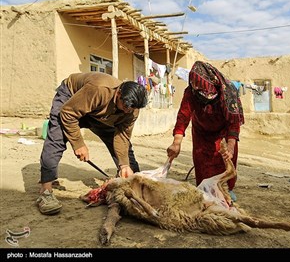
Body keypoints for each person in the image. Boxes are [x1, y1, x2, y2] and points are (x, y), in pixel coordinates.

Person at [37, 72, 148, 215]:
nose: (128, 111)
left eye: (131, 109)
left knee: (125, 154)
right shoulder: (99, 89)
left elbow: (122, 136)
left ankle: (134, 186)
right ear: (118, 94)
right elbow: (68, 113)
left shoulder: (132, 109)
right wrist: (78, 143)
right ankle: (45, 191)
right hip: (71, 100)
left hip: (99, 112)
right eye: (126, 106)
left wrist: (124, 164)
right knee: (56, 138)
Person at [166, 61, 244, 202]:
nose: (196, 89)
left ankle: (227, 190)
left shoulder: (228, 92)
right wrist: (176, 143)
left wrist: (231, 146)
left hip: (224, 133)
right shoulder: (191, 93)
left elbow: (233, 123)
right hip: (201, 132)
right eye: (194, 85)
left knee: (226, 161)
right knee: (202, 163)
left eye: (200, 85)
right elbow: (183, 118)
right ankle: (205, 190)